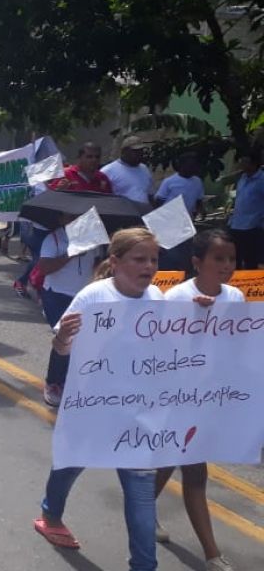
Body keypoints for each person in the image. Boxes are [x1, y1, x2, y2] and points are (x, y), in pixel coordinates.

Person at [34, 227, 164, 571]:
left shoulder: (160, 300)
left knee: (141, 497)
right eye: (139, 259)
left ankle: (144, 565)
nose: (148, 266)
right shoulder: (93, 297)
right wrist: (63, 337)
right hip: (91, 411)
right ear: (116, 261)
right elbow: (62, 347)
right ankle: (50, 514)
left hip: (137, 418)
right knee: (69, 466)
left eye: (153, 259)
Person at [155, 229, 241, 571]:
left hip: (211, 399)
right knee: (194, 471)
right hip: (178, 398)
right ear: (196, 262)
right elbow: (163, 352)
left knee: (166, 462)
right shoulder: (177, 298)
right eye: (218, 259)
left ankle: (141, 512)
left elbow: (236, 346)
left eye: (231, 259)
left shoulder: (234, 296)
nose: (227, 266)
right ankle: (211, 554)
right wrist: (199, 320)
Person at [16, 143, 110, 297]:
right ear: (79, 158)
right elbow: (48, 201)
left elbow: (108, 205)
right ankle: (41, 291)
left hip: (90, 229)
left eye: (97, 157)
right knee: (46, 262)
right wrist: (58, 190)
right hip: (63, 231)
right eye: (89, 156)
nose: (93, 160)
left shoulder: (103, 179)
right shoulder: (66, 175)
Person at [36, 214, 101, 407]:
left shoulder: (93, 236)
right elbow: (44, 268)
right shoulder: (53, 239)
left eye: (79, 216)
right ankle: (54, 383)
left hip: (84, 296)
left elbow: (97, 262)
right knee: (66, 338)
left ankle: (72, 380)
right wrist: (71, 253)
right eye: (70, 217)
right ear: (62, 219)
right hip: (56, 295)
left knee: (83, 340)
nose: (75, 219)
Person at [228, 151, 263, 270]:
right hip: (237, 224)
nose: (242, 164)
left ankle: (250, 286)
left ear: (254, 164)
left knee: (251, 260)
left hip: (253, 226)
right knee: (234, 258)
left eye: (245, 162)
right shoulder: (242, 178)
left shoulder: (261, 180)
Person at [101, 136, 152, 204]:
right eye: (135, 151)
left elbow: (150, 194)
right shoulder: (108, 171)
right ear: (124, 151)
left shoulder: (144, 169)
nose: (139, 154)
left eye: (141, 151)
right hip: (121, 212)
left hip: (144, 212)